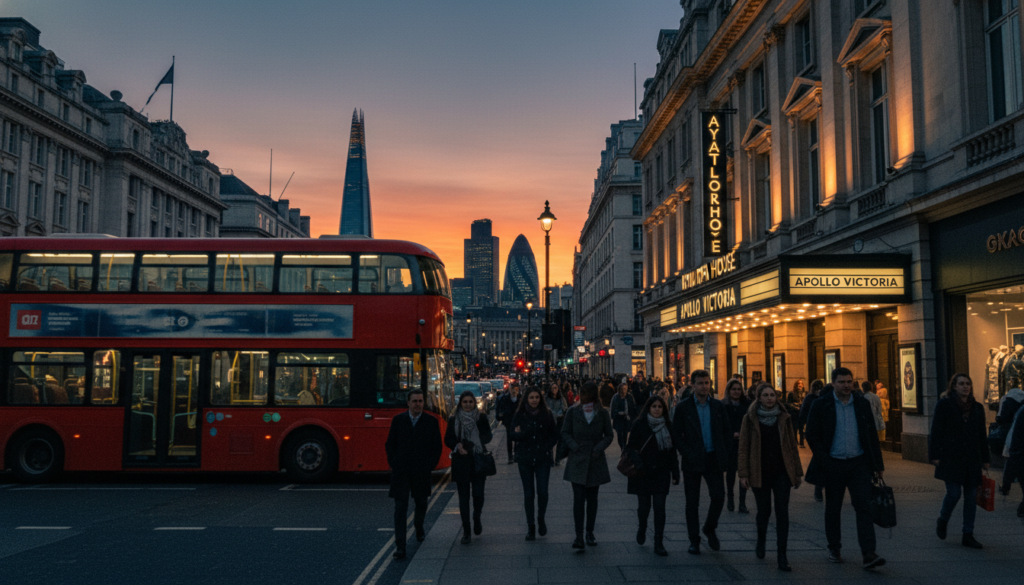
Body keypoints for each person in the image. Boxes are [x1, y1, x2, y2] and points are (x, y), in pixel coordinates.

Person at [805, 367, 885, 570]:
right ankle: (834, 548)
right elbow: (812, 435)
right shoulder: (821, 404)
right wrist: (825, 461)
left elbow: (871, 435)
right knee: (833, 508)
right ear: (833, 383)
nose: (846, 385)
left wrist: (878, 465)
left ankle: (868, 553)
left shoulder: (861, 403)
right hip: (834, 464)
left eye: (849, 381)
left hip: (859, 464)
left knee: (864, 507)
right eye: (842, 382)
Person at [738, 384, 804, 572]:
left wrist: (797, 472)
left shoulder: (784, 418)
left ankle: (782, 555)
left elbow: (792, 445)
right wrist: (743, 474)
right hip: (760, 471)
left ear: (776, 397)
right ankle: (761, 540)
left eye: (772, 395)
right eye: (765, 395)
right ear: (758, 398)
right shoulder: (750, 419)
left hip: (782, 472)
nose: (769, 398)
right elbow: (743, 447)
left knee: (782, 512)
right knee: (764, 511)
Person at [671, 369, 731, 555]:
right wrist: (686, 452)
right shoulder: (684, 407)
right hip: (693, 459)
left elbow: (726, 432)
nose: (704, 386)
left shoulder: (718, 406)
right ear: (693, 385)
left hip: (713, 457)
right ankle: (694, 540)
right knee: (692, 503)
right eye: (700, 383)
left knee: (719, 496)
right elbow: (676, 435)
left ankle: (709, 527)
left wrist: (725, 453)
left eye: (707, 383)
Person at [929, 373, 990, 549]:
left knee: (971, 496)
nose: (965, 387)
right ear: (954, 386)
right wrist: (934, 455)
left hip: (971, 458)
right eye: (961, 384)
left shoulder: (977, 408)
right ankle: (943, 519)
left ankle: (968, 533)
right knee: (954, 493)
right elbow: (936, 430)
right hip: (951, 457)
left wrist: (985, 459)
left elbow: (981, 435)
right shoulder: (945, 404)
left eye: (968, 384)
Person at [385, 389, 443, 560]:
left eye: (420, 401)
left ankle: (419, 527)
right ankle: (400, 546)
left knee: (421, 503)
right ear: (408, 403)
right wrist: (394, 463)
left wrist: (429, 466)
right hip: (401, 471)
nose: (418, 404)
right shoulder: (398, 420)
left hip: (421, 471)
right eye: (415, 401)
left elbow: (437, 447)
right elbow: (390, 444)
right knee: (400, 509)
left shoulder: (431, 421)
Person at [561, 381, 614, 551]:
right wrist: (574, 446)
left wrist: (598, 448)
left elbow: (609, 435)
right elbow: (565, 432)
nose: (583, 396)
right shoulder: (573, 411)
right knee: (578, 499)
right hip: (577, 459)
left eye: (586, 393)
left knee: (592, 499)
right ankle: (578, 535)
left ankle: (589, 532)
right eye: (581, 393)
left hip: (595, 459)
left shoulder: (602, 413)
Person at [627, 395, 679, 556]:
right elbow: (629, 448)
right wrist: (638, 461)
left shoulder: (668, 426)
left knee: (659, 508)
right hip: (643, 473)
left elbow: (672, 452)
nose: (657, 409)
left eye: (660, 407)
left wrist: (675, 471)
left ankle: (659, 541)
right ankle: (642, 527)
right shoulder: (639, 424)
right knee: (644, 507)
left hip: (661, 472)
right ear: (648, 408)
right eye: (654, 406)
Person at [445, 390, 494, 544]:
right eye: (465, 402)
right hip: (461, 462)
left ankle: (477, 517)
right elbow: (448, 439)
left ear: (474, 403)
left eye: (470, 402)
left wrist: (476, 441)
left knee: (478, 495)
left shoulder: (481, 418)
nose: (467, 405)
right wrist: (457, 444)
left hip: (477, 460)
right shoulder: (454, 419)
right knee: (463, 498)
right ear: (461, 404)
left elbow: (488, 436)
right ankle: (466, 531)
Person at [511, 386, 559, 540]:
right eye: (531, 397)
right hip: (525, 458)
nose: (534, 400)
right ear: (527, 398)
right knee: (529, 494)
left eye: (537, 397)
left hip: (542, 458)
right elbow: (512, 434)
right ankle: (531, 526)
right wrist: (521, 434)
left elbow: (554, 435)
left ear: (541, 399)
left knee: (543, 492)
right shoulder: (520, 414)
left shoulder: (547, 414)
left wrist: (546, 447)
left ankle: (541, 518)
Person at [723, 378, 750, 514]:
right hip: (730, 445)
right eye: (734, 389)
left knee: (744, 472)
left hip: (743, 444)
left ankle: (742, 502)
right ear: (729, 390)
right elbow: (720, 426)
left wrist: (742, 433)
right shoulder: (723, 406)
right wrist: (730, 434)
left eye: (739, 389)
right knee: (731, 473)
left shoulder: (747, 405)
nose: (736, 392)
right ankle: (730, 499)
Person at [496, 383, 522, 464]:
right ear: (509, 390)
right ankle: (510, 457)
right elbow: (502, 410)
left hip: (518, 421)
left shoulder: (521, 398)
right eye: (512, 389)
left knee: (518, 439)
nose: (514, 391)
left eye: (516, 389)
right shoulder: (505, 398)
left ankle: (516, 455)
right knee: (509, 439)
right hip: (509, 421)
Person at [610, 383, 637, 450]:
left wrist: (632, 417)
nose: (624, 390)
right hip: (618, 418)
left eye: (625, 388)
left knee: (625, 433)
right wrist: (616, 414)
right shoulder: (616, 397)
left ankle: (624, 447)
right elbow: (613, 407)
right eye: (623, 389)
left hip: (627, 418)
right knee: (620, 434)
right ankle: (622, 447)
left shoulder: (629, 396)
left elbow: (632, 407)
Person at [798, 380, 823, 448]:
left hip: (809, 418)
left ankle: (802, 442)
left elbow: (804, 409)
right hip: (813, 419)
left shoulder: (809, 397)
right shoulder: (821, 397)